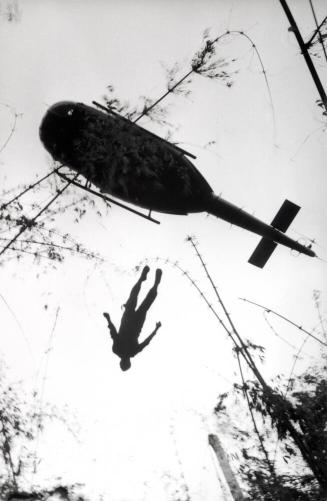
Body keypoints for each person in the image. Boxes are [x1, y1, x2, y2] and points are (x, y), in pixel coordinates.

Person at [103, 266, 162, 371]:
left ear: (123, 362)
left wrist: (108, 319)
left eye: (125, 362)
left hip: (129, 321)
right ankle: (153, 283)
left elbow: (114, 334)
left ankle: (145, 281)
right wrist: (156, 329)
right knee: (142, 302)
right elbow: (145, 342)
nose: (126, 360)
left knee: (136, 298)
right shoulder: (126, 351)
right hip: (134, 323)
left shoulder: (119, 350)